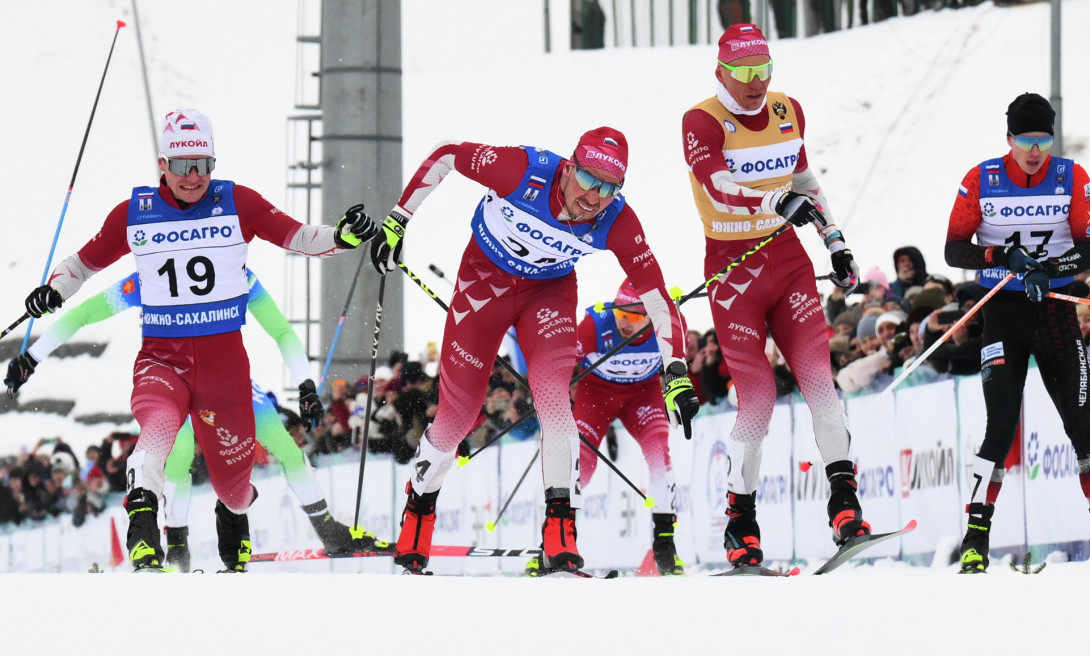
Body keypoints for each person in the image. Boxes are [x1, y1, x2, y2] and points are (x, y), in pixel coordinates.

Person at [17, 109, 376, 571]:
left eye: (204, 165)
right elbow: (81, 266)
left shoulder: (238, 202)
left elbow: (301, 238)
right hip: (162, 361)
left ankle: (233, 512)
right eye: (183, 165)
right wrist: (54, 290)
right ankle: (146, 529)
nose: (194, 177)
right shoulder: (134, 214)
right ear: (162, 164)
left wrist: (342, 236)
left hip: (224, 373)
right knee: (159, 432)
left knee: (236, 491)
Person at [368, 128, 695, 575]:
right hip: (484, 282)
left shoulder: (617, 219)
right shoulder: (523, 170)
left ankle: (560, 529)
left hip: (548, 294)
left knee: (554, 401)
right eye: (588, 180)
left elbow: (657, 297)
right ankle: (420, 509)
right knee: (457, 417)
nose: (594, 197)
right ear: (570, 167)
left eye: (608, 188)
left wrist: (676, 371)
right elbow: (447, 154)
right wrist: (397, 220)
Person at [7, 268, 389, 571]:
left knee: (281, 444)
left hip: (226, 383)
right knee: (178, 456)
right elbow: (84, 313)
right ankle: (178, 545)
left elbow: (281, 330)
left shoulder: (236, 271)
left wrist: (306, 384)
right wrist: (32, 356)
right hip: (173, 382)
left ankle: (323, 527)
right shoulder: (151, 274)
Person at [682, 23, 872, 568]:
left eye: (763, 69)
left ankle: (845, 506)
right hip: (733, 270)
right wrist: (774, 203)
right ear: (721, 72)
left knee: (820, 384)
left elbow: (805, 182)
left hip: (786, 261)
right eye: (743, 71)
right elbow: (718, 185)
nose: (755, 82)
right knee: (758, 398)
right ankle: (740, 520)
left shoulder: (788, 110)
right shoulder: (701, 120)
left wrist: (836, 243)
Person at [944, 92, 1090, 573]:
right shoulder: (982, 178)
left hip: (1054, 311)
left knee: (1081, 422)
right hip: (1003, 314)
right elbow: (954, 249)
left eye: (1043, 141)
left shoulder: (1072, 177)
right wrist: (1001, 256)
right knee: (1001, 426)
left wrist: (1051, 269)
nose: (1034, 151)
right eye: (1025, 140)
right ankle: (975, 539)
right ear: (1008, 138)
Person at [572, 280, 685, 576]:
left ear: (650, 315)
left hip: (641, 396)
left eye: (634, 316)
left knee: (659, 455)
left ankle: (665, 545)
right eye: (620, 313)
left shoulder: (669, 323)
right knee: (581, 463)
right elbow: (560, 364)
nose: (624, 321)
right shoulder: (594, 325)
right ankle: (558, 540)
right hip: (595, 396)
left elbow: (679, 366)